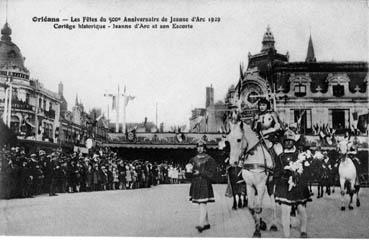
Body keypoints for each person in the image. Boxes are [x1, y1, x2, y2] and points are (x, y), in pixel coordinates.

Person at [274, 130, 311, 238]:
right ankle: (287, 236)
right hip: (284, 186)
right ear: (283, 142)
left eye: (291, 141)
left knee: (301, 209)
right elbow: (276, 170)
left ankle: (303, 230)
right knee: (285, 211)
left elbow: (306, 170)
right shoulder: (280, 156)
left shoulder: (299, 154)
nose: (288, 143)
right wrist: (283, 173)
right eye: (286, 141)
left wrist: (299, 173)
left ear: (294, 142)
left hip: (298, 186)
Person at [189, 140, 217, 233]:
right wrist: (188, 170)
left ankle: (201, 224)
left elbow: (212, 173)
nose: (199, 148)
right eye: (198, 146)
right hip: (196, 183)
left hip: (205, 183)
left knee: (202, 203)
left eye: (201, 146)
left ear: (204, 148)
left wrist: (200, 172)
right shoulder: (193, 159)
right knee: (201, 203)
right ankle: (207, 223)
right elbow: (190, 171)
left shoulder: (210, 159)